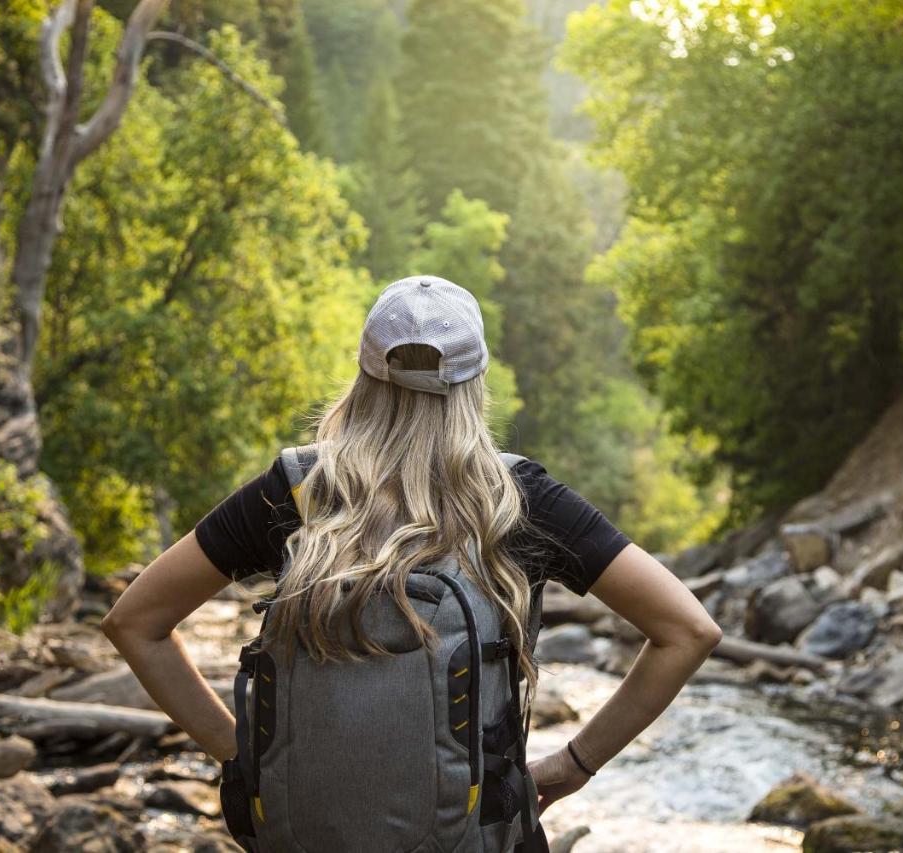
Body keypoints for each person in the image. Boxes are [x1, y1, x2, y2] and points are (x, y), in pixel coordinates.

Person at [101, 274, 724, 842]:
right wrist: (574, 764)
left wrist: (243, 753)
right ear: (476, 383)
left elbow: (134, 622)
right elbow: (687, 631)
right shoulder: (517, 500)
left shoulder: (294, 489)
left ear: (364, 373)